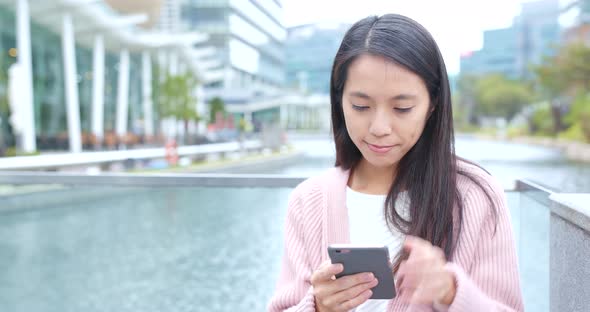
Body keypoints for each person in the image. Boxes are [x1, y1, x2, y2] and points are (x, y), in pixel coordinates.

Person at [268, 14, 523, 312]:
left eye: (402, 108)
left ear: (433, 105)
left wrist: (450, 292)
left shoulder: (476, 196)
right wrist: (318, 307)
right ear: (339, 101)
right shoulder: (308, 201)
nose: (379, 127)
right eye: (360, 106)